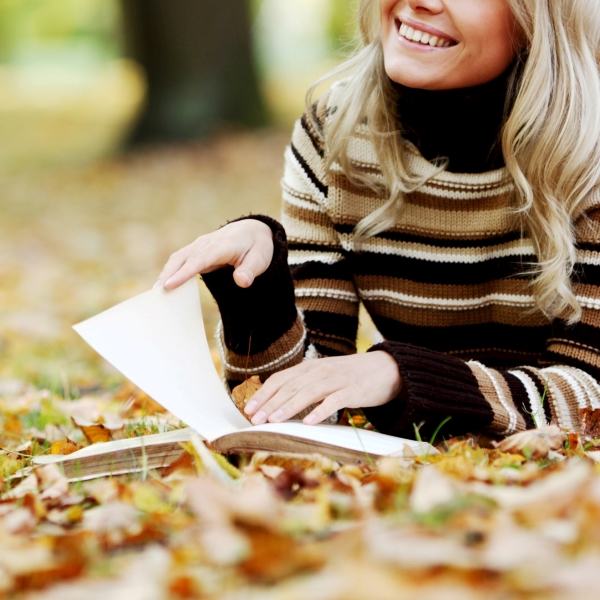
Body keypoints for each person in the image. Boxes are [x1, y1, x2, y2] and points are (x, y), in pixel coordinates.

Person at [155, 0, 600, 439]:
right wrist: (259, 295)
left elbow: (591, 397)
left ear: (544, 16)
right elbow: (302, 408)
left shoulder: (590, 157)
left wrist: (403, 375)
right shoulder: (337, 134)